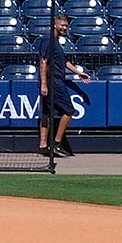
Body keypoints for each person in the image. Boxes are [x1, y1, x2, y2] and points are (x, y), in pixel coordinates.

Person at [36, 14, 79, 165]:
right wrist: (44, 84)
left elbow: (64, 61)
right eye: (63, 25)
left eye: (66, 26)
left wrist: (78, 72)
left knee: (47, 113)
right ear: (55, 25)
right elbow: (43, 62)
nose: (65, 28)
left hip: (55, 80)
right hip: (53, 82)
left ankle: (43, 146)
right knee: (69, 111)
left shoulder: (56, 42)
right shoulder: (48, 40)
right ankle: (56, 143)